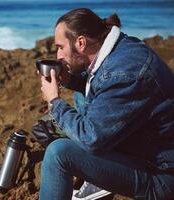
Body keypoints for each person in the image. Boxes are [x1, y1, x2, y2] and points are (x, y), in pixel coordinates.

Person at [38, 8, 174, 200]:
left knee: (58, 154)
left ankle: (97, 180)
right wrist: (69, 81)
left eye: (60, 47)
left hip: (161, 176)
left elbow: (90, 139)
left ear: (81, 43)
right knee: (83, 94)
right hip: (150, 150)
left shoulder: (125, 75)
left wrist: (55, 101)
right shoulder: (121, 47)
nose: (58, 55)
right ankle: (98, 178)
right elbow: (100, 85)